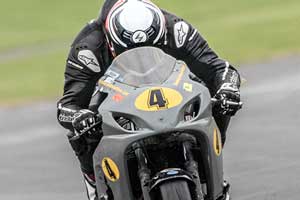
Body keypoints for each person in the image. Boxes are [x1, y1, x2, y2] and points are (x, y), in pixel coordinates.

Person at [57, 0, 242, 199]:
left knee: (220, 100)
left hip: (170, 90)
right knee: (82, 130)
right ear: (111, 42)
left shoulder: (176, 29)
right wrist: (80, 117)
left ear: (161, 33)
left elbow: (219, 68)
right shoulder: (88, 48)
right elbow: (68, 105)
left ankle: (211, 172)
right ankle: (95, 183)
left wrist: (228, 87)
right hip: (116, 99)